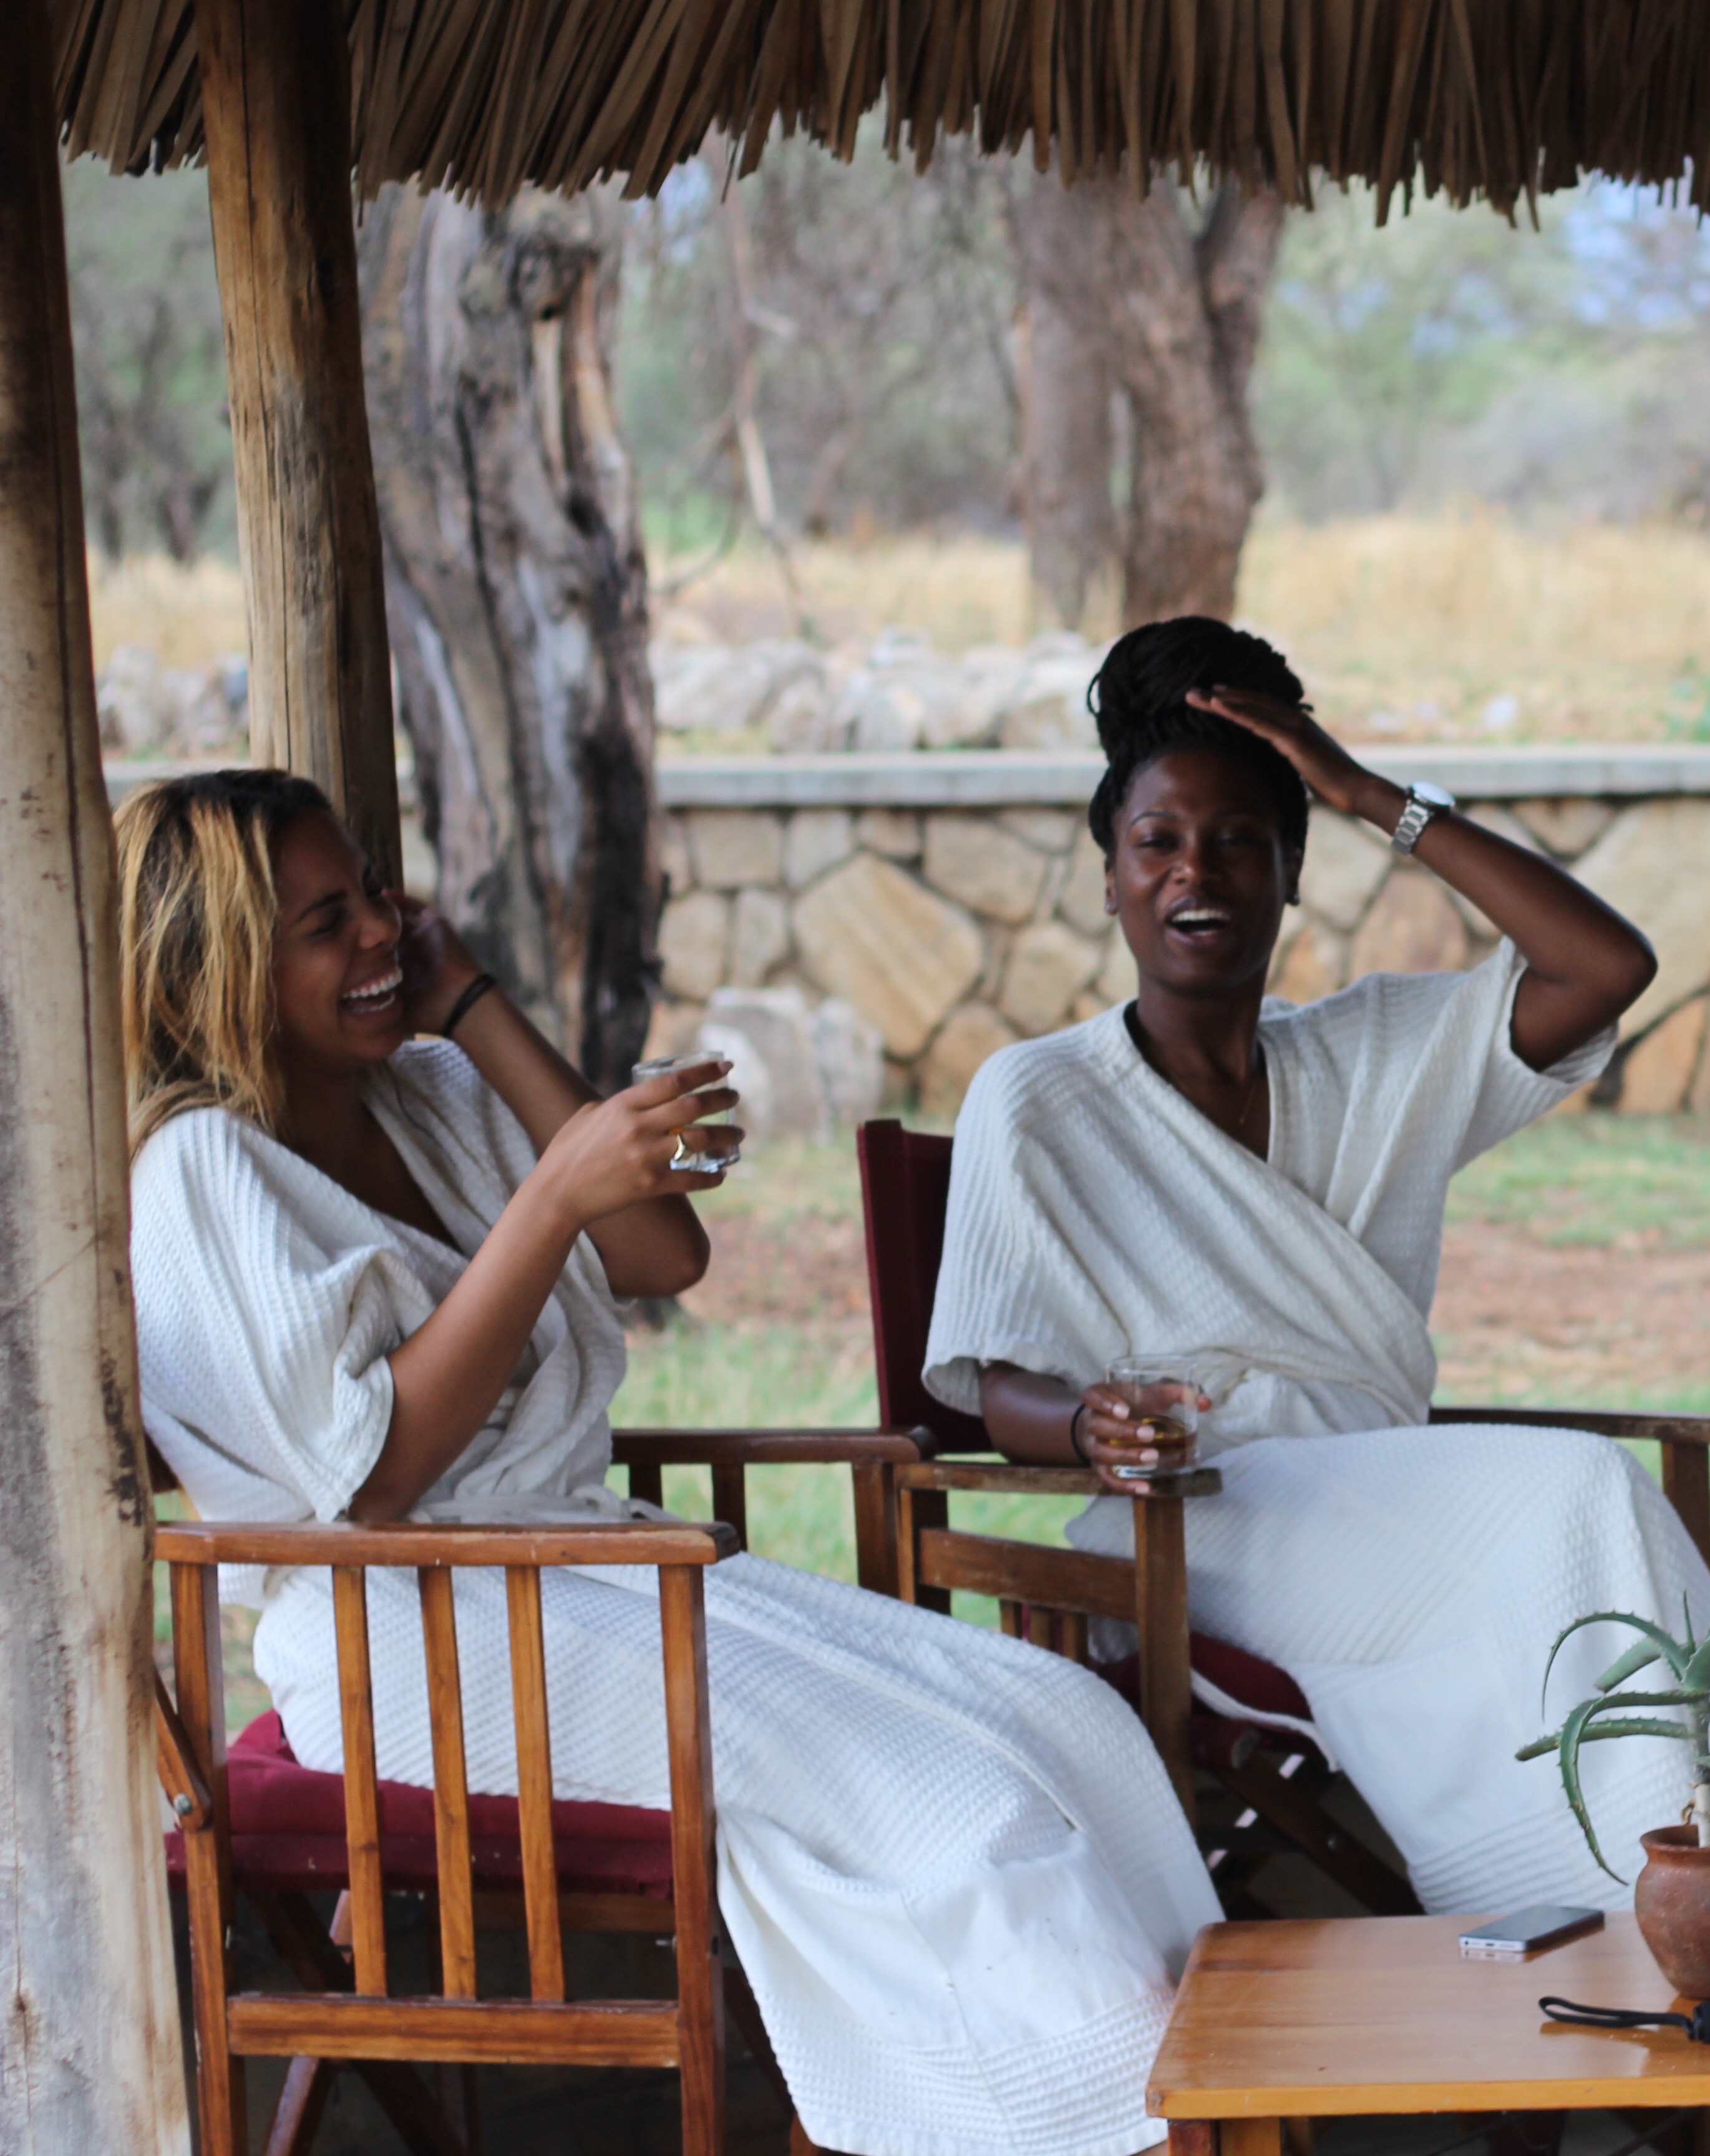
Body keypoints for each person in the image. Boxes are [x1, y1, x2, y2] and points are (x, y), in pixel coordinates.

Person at [124, 770, 1222, 2156]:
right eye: (325, 922)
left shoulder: (429, 1089)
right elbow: (380, 1476)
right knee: (965, 1807)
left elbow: (659, 1254)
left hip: (575, 1564)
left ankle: (1216, 2100)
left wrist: (475, 1007)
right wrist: (552, 1195)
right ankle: (1101, 2120)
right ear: (222, 969)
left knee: (1063, 1720)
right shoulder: (200, 1172)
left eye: (376, 896)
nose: (381, 933)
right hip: (403, 1635)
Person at [923, 618, 1710, 1913]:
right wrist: (1090, 1424)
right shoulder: (1035, 1098)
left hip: (1385, 1488)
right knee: (1585, 1491)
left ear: (1293, 872)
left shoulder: (1374, 1053)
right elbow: (990, 1381)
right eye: (1157, 842)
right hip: (1196, 1521)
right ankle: (1686, 1905)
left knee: (1581, 1532)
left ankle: (1697, 1908)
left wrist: (1371, 796)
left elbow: (1607, 966)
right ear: (1110, 877)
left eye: (1241, 840)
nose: (1196, 872)